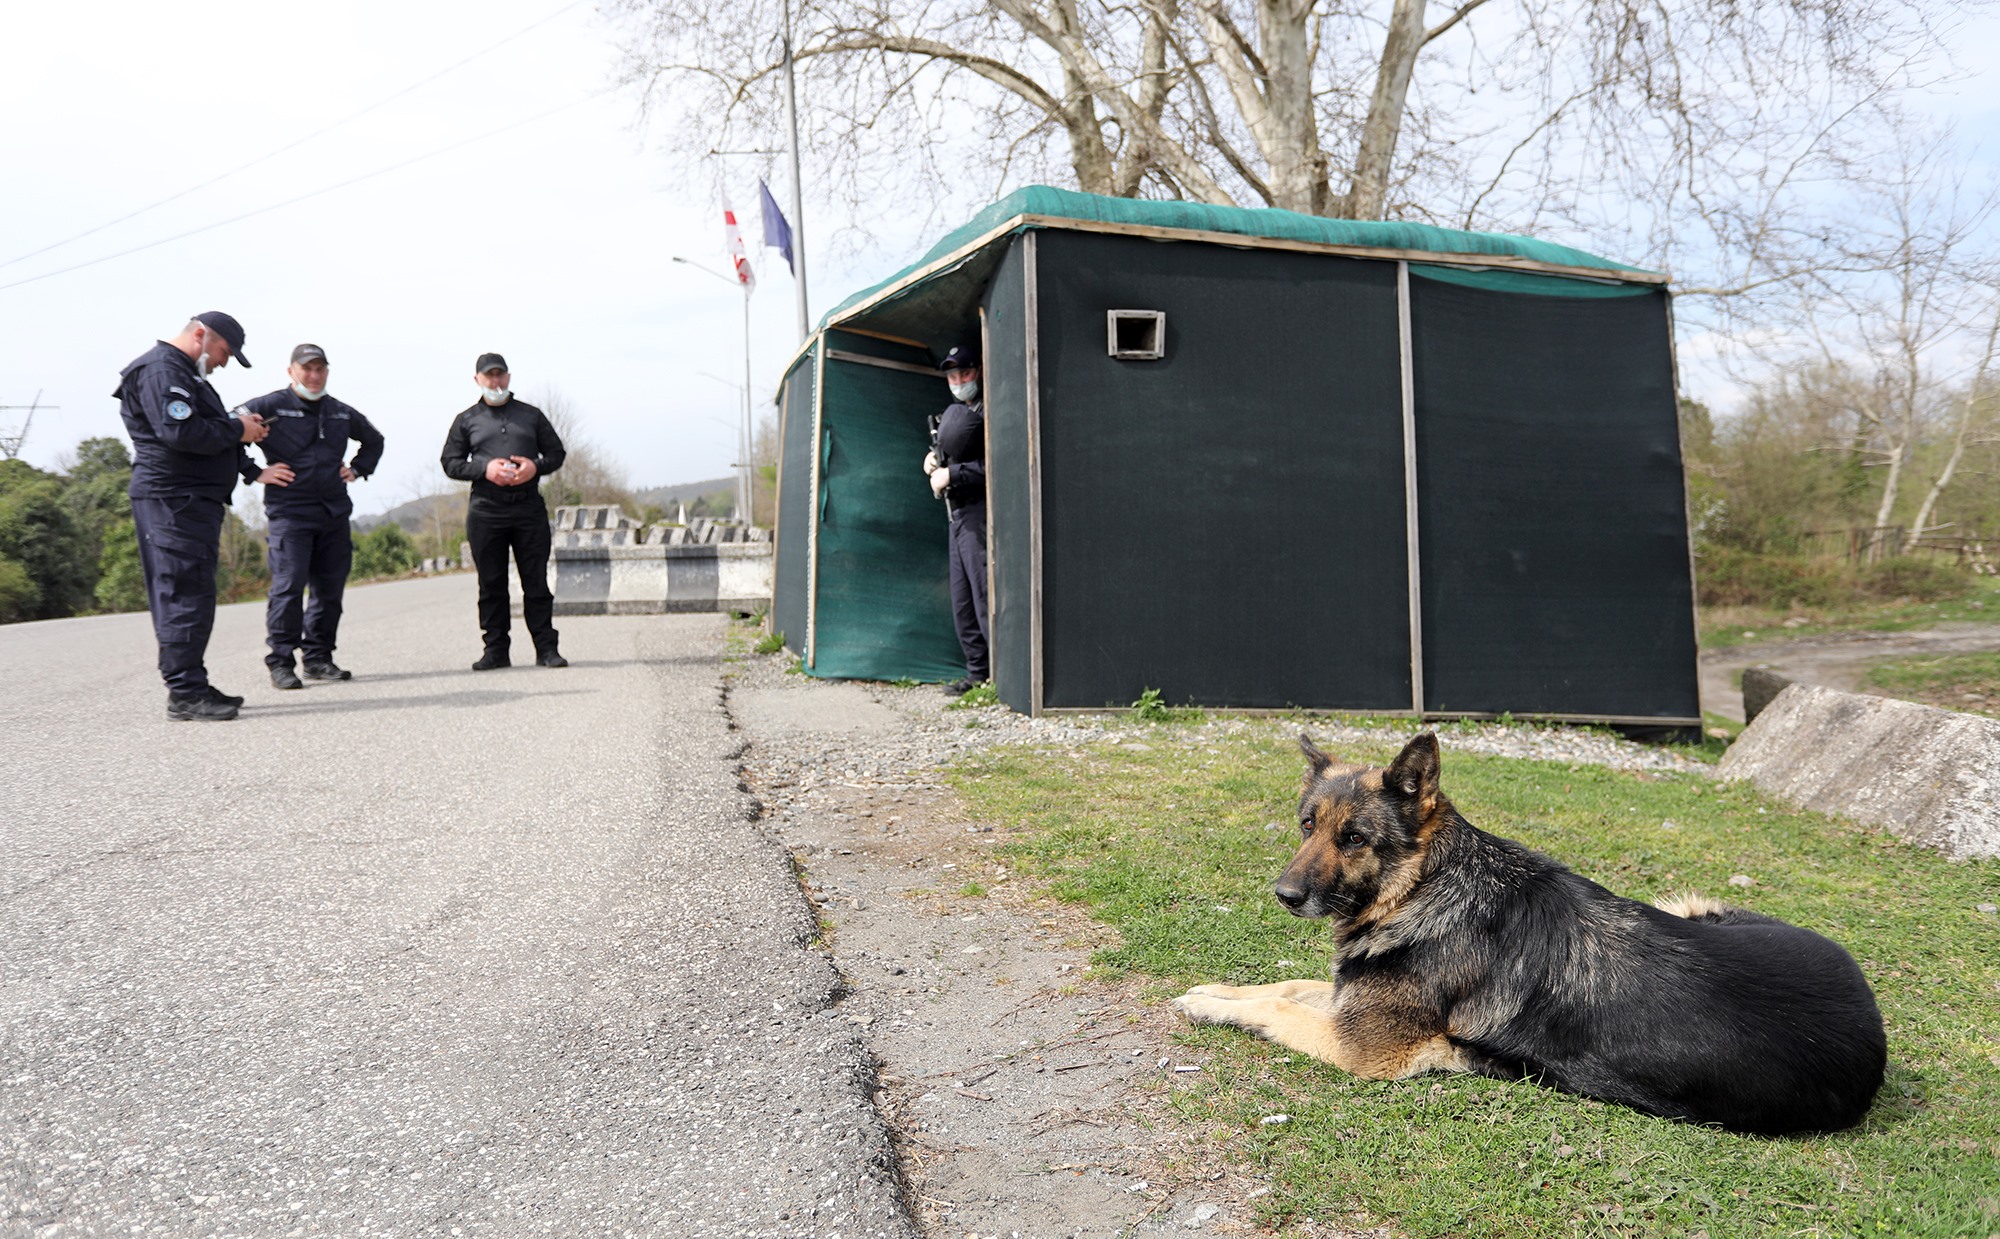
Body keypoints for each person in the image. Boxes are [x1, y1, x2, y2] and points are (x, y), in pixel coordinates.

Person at [114, 312, 270, 721]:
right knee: (182, 592)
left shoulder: (184, 374)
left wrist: (237, 429)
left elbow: (203, 426)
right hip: (173, 500)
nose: (223, 362)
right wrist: (237, 430)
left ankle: (192, 682)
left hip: (189, 501)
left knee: (194, 592)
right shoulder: (162, 370)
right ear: (201, 334)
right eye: (223, 352)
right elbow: (180, 433)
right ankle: (184, 692)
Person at [237, 343, 386, 689]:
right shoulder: (270, 406)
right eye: (307, 369)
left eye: (320, 369)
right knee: (288, 588)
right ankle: (281, 662)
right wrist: (255, 471)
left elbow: (374, 440)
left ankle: (318, 658)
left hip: (333, 511)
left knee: (329, 590)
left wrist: (359, 469)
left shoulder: (339, 412)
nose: (314, 375)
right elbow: (227, 432)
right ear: (291, 371)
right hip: (290, 512)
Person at [439, 353, 567, 670]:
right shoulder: (466, 419)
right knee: (491, 583)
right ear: (477, 380)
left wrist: (534, 466)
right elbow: (450, 463)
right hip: (486, 509)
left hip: (528, 507)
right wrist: (485, 468)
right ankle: (496, 650)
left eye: (500, 375)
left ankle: (546, 649)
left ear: (508, 377)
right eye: (488, 376)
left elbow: (556, 453)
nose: (495, 381)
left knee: (535, 581)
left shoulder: (531, 415)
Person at [924, 342, 988, 695]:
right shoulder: (957, 414)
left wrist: (956, 473)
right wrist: (935, 462)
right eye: (952, 375)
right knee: (962, 599)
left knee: (983, 594)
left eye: (965, 372)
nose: (959, 380)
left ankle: (1001, 678)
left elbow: (999, 463)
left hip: (980, 515)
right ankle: (977, 675)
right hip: (957, 515)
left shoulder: (992, 410)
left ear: (977, 371)